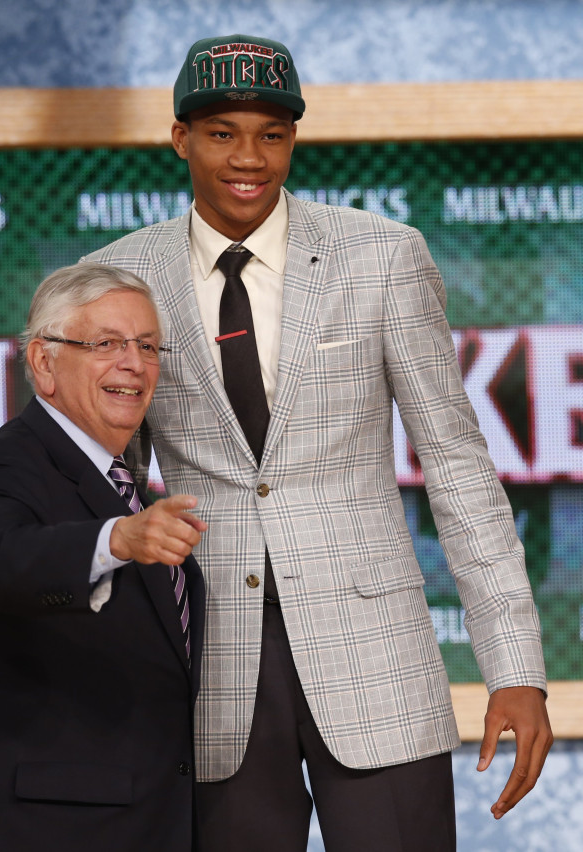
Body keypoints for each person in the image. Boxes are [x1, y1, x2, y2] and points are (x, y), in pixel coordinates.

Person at [80, 33, 553, 852]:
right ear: (180, 138)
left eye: (273, 133)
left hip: (376, 656)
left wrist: (514, 666)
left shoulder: (382, 257)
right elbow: (93, 479)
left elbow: (456, 463)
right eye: (223, 132)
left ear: (295, 137)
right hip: (208, 666)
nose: (250, 157)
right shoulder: (121, 279)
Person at [0, 261, 206, 852]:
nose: (134, 364)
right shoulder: (5, 463)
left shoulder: (121, 483)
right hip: (32, 827)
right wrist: (115, 540)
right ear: (44, 362)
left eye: (148, 346)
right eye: (106, 344)